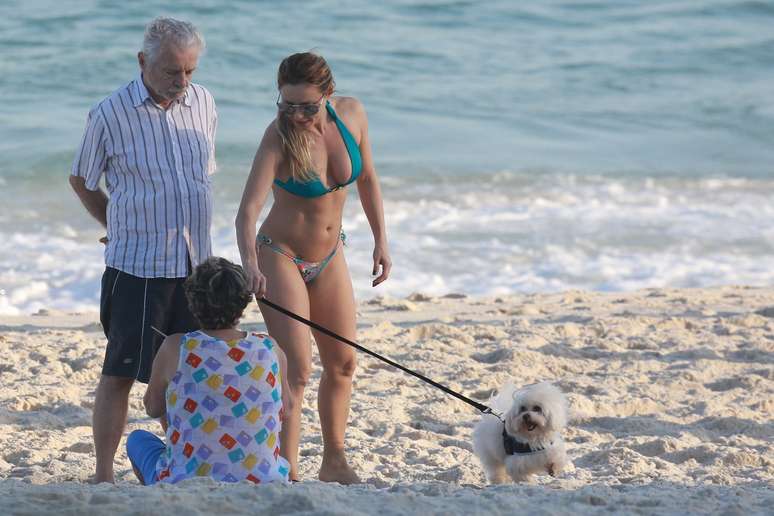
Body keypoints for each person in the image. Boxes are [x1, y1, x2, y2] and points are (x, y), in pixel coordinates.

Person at [69, 17, 217, 483]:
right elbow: (82, 179)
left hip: (195, 267)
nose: (183, 81)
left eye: (190, 71)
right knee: (119, 372)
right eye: (173, 71)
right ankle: (103, 473)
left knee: (189, 375)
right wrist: (114, 222)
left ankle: (183, 464)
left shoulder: (204, 103)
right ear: (142, 62)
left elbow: (202, 177)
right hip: (137, 267)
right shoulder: (109, 113)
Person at [235, 52, 391, 484]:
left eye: (307, 106)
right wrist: (250, 263)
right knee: (298, 370)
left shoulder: (352, 115)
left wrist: (381, 240)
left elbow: (369, 179)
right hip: (279, 255)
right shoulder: (277, 137)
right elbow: (247, 212)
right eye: (286, 105)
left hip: (329, 255)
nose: (297, 115)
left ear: (329, 94)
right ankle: (286, 470)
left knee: (343, 362)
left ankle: (334, 460)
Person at [126, 257, 291, 485]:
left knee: (137, 440)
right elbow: (288, 408)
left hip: (187, 480)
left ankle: (160, 495)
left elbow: (153, 408)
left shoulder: (176, 346)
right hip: (264, 478)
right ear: (242, 302)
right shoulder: (269, 346)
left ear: (192, 301)